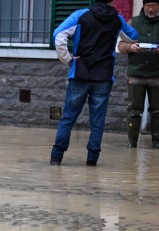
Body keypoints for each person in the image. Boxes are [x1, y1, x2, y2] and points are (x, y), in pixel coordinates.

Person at [50, 0, 139, 166]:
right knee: (97, 121)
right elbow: (133, 37)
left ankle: (56, 158)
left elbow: (58, 34)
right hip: (104, 76)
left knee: (68, 118)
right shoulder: (117, 19)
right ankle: (92, 160)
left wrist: (67, 59)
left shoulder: (80, 15)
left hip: (80, 74)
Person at [118, 0, 159, 148]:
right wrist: (130, 47)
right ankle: (132, 144)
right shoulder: (133, 22)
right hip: (136, 74)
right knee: (134, 111)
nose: (151, 9)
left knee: (157, 112)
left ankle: (157, 143)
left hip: (157, 75)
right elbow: (120, 45)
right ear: (143, 6)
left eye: (154, 5)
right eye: (148, 5)